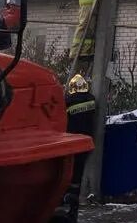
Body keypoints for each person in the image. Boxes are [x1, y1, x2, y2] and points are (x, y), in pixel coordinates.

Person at [53, 74, 96, 222]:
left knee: (66, 174)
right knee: (78, 176)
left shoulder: (68, 102)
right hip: (86, 143)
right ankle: (74, 207)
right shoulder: (92, 100)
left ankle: (63, 201)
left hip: (71, 143)